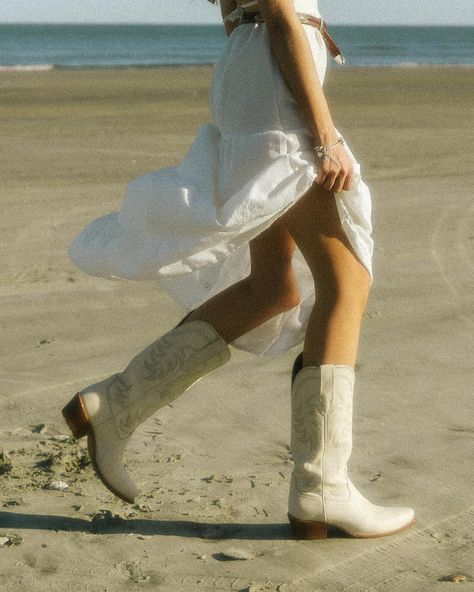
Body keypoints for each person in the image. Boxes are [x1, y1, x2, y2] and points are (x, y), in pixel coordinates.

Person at [63, 0, 415, 539]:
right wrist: (325, 136)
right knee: (347, 284)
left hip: (251, 72)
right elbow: (279, 11)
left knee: (271, 288)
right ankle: (322, 488)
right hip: (274, 76)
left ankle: (117, 403)